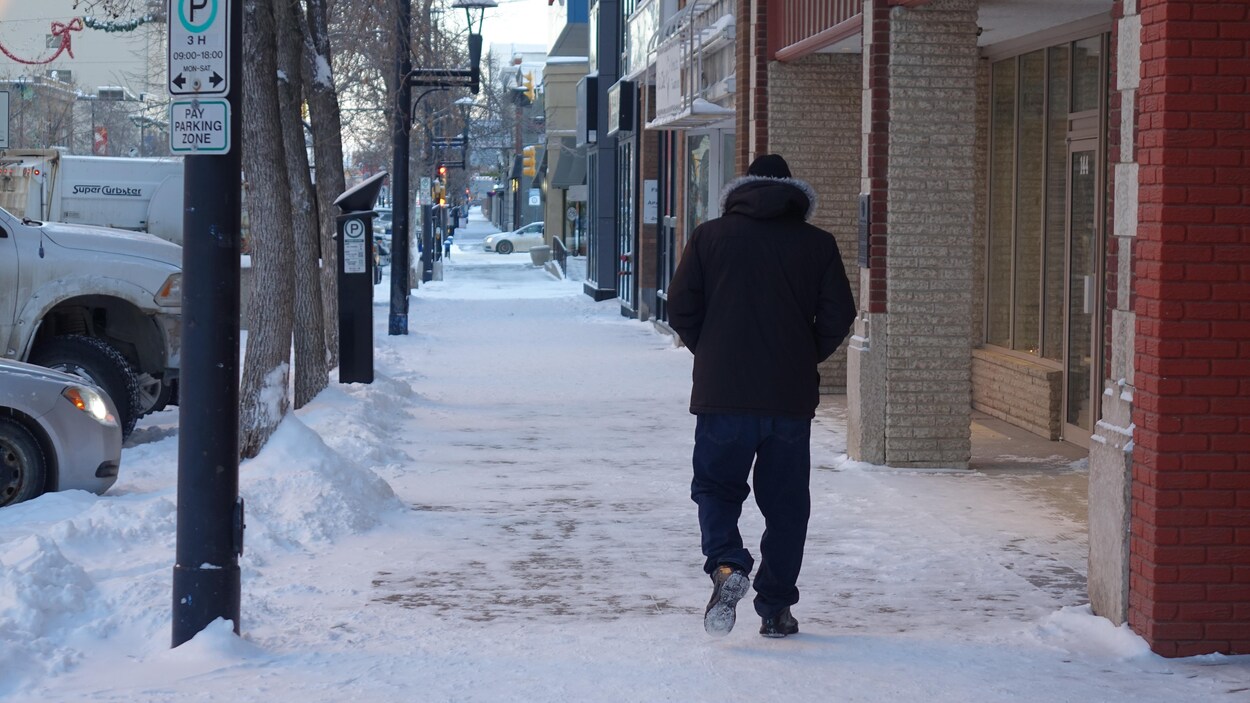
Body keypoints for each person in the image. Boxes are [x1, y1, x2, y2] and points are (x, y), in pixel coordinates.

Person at [667, 154, 856, 638]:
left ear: (741, 190)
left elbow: (681, 308)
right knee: (787, 505)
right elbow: (839, 314)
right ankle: (775, 608)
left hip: (723, 396)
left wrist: (713, 352)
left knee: (716, 487)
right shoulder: (817, 244)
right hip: (788, 399)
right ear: (793, 194)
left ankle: (727, 564)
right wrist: (801, 356)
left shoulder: (709, 237)